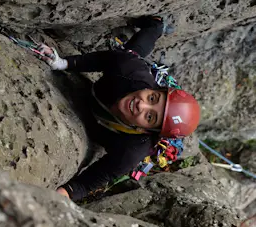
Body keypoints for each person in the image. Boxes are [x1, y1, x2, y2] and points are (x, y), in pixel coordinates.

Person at [37, 16, 201, 201]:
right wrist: (64, 63)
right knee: (131, 52)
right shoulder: (128, 70)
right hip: (117, 81)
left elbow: (91, 180)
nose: (141, 104)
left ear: (145, 130)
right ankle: (155, 26)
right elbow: (107, 59)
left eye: (149, 116)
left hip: (105, 123)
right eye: (152, 98)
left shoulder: (132, 150)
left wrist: (60, 196)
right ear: (152, 88)